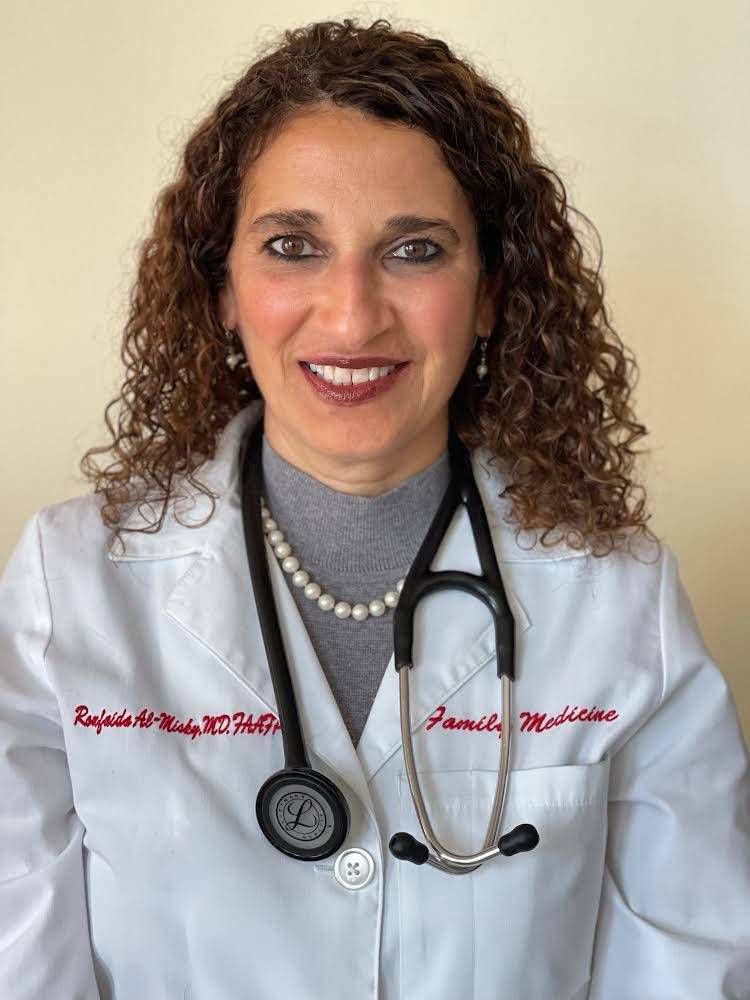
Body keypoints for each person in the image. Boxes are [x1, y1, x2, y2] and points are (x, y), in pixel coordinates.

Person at [1, 16, 748, 999]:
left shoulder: (618, 598)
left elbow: (690, 967)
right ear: (222, 288)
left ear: (490, 293)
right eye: (292, 246)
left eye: (415, 250)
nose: (352, 315)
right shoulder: (71, 588)